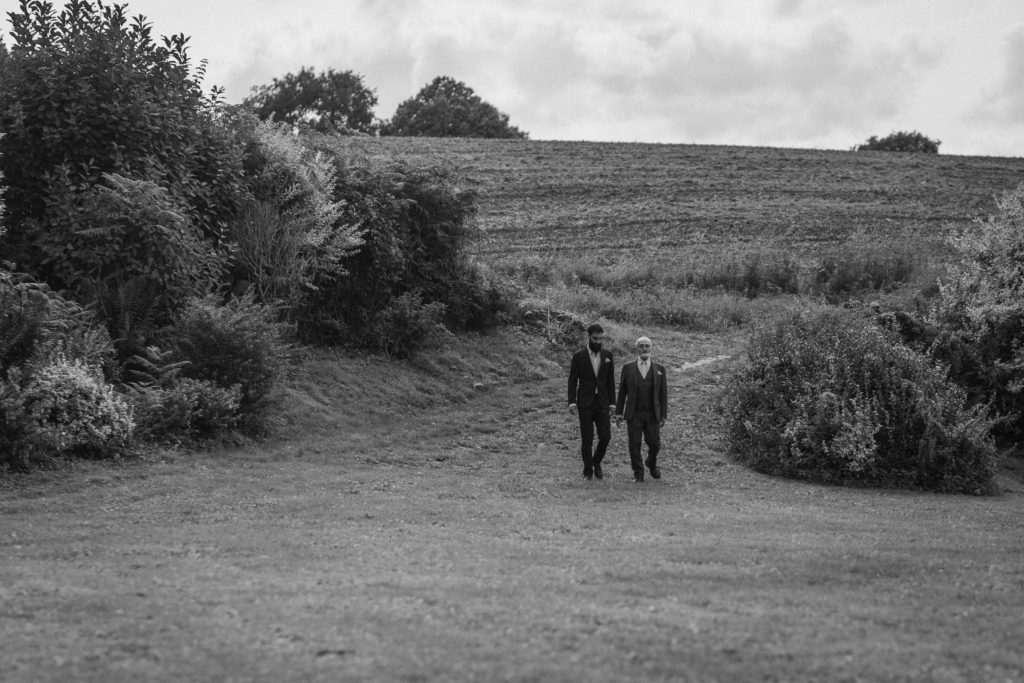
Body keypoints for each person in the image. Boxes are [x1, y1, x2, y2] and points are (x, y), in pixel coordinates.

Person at [567, 323, 616, 480]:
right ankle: (588, 470)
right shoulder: (578, 356)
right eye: (595, 338)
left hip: (602, 402)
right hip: (585, 402)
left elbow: (610, 381)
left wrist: (612, 403)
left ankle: (596, 462)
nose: (598, 341)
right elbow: (572, 380)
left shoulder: (608, 355)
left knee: (605, 437)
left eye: (601, 339)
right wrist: (571, 401)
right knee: (587, 438)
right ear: (588, 337)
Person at [615, 336, 668, 482]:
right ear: (636, 348)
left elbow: (663, 394)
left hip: (652, 413)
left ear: (651, 348)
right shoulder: (628, 367)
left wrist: (663, 415)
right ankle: (638, 473)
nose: (644, 348)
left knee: (654, 443)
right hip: (634, 413)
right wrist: (619, 413)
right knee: (634, 444)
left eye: (647, 346)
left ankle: (651, 462)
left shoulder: (660, 369)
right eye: (641, 346)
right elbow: (622, 392)